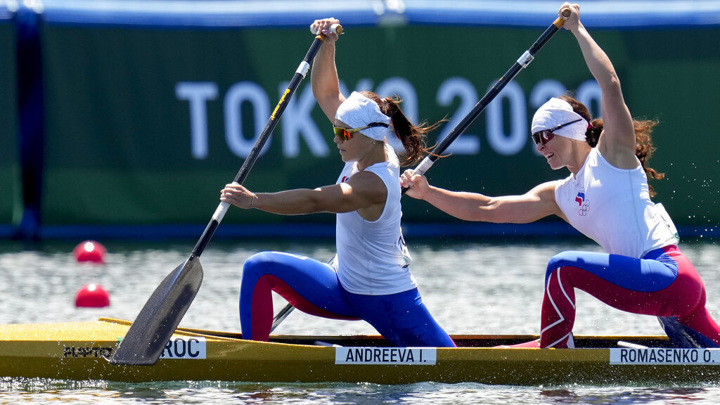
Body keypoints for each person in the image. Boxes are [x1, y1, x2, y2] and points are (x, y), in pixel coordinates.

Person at [401, 3, 720, 349]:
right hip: (663, 292)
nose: (540, 147)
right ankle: (545, 348)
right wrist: (429, 192)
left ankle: (553, 353)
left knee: (562, 267)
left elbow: (610, 84)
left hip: (668, 276)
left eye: (545, 136)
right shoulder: (558, 194)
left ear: (573, 130)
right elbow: (488, 208)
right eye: (535, 140)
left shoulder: (614, 155)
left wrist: (578, 29)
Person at [220, 17, 455, 347]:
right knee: (259, 267)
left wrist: (255, 200)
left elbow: (315, 200)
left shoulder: (373, 183)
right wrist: (328, 43)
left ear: (371, 136)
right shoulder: (362, 137)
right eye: (335, 129)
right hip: (342, 286)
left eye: (343, 134)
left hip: (387, 299)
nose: (336, 138)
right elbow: (327, 92)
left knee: (449, 362)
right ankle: (253, 361)